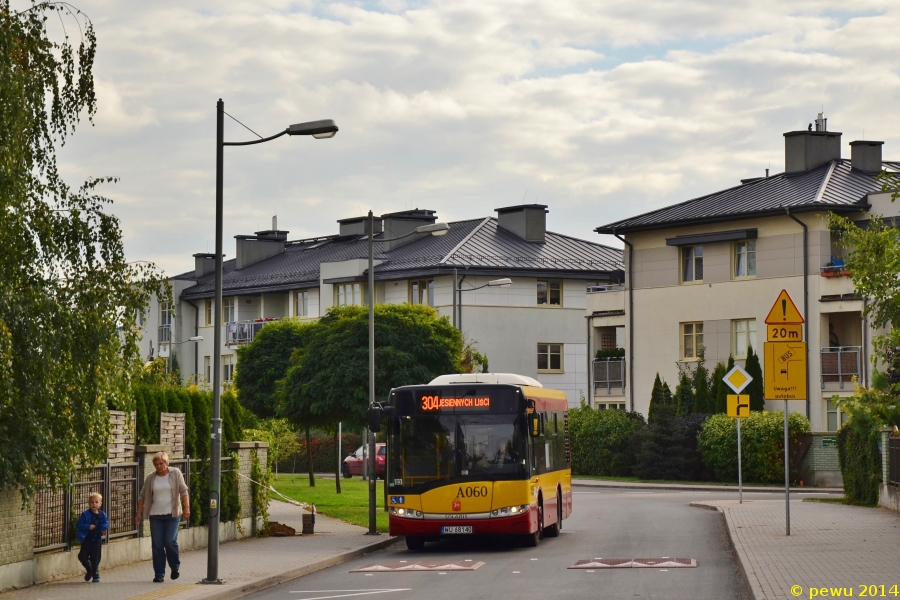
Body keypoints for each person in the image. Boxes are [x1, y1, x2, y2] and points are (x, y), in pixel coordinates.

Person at [135, 451, 190, 583]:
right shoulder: (150, 477)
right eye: (156, 464)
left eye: (161, 463)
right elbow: (142, 496)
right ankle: (159, 573)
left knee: (170, 541)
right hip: (155, 515)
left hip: (172, 514)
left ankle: (175, 567)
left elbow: (183, 490)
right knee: (157, 545)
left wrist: (187, 507)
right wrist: (138, 513)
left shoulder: (175, 473)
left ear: (167, 463)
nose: (159, 466)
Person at [76, 492, 108, 583]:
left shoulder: (102, 514)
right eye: (92, 502)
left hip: (96, 539)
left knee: (95, 558)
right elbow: (78, 525)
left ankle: (95, 574)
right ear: (89, 503)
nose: (94, 504)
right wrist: (87, 526)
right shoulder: (85, 514)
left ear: (100, 503)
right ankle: (89, 569)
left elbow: (105, 522)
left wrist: (103, 529)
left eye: (96, 502)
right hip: (86, 539)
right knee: (82, 556)